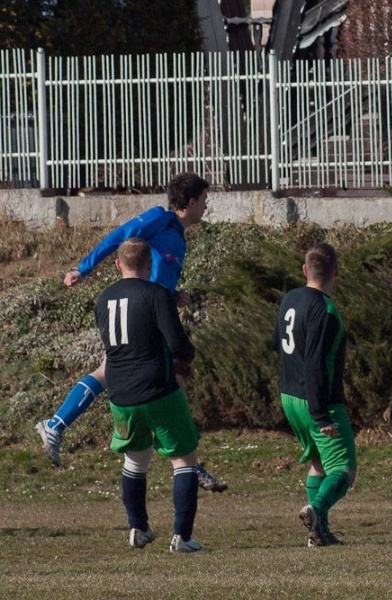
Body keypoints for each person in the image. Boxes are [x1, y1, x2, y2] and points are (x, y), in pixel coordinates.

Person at [33, 172, 227, 492]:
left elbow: (158, 275)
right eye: (204, 199)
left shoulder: (176, 235)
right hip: (140, 311)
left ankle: (188, 462)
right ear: (191, 202)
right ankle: (188, 463)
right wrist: (83, 268)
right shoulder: (159, 218)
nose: (206, 206)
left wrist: (173, 294)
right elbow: (119, 237)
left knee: (154, 378)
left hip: (153, 311)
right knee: (137, 374)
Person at [96, 237, 205, 552]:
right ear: (150, 265)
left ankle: (138, 527)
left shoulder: (103, 298)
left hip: (119, 393)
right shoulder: (157, 294)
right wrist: (182, 361)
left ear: (118, 265)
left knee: (137, 457)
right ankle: (182, 537)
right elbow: (179, 344)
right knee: (184, 457)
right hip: (157, 389)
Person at [272, 242, 356, 547]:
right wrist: (321, 414)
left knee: (319, 461)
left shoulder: (289, 300)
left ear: (305, 270)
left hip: (289, 396)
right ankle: (316, 510)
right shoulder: (326, 312)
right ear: (336, 270)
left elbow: (276, 342)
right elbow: (317, 365)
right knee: (345, 468)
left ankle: (319, 533)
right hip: (317, 401)